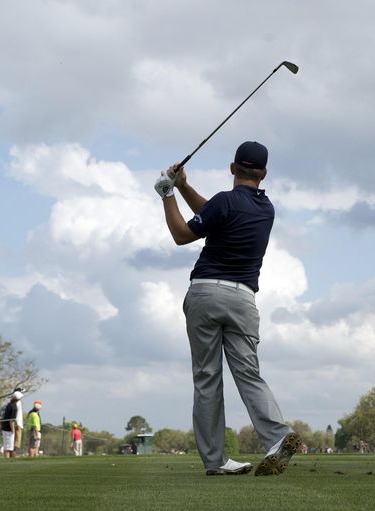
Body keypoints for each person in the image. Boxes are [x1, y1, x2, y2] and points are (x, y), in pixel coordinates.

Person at [155, 141, 300, 476]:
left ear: (232, 168)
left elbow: (182, 234)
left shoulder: (225, 201)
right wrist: (185, 186)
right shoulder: (266, 210)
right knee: (249, 373)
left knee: (207, 378)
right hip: (243, 299)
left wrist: (167, 194)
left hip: (205, 294)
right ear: (263, 174)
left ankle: (216, 460)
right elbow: (214, 213)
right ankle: (278, 436)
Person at [0, 392, 22, 459]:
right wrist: (13, 430)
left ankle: (7, 459)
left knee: (7, 446)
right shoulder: (14, 407)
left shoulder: (9, 404)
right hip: (8, 429)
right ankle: (7, 460)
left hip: (5, 428)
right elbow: (11, 421)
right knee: (8, 448)